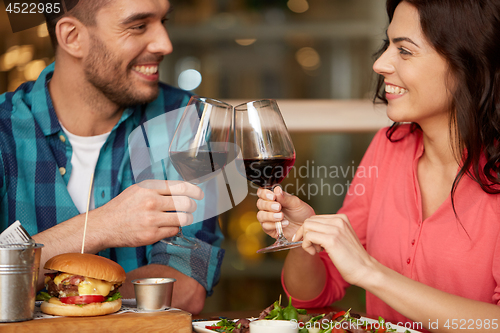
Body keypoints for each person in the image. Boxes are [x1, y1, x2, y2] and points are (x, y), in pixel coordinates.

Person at [257, 0, 500, 331]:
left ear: (467, 62)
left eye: (405, 51)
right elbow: (311, 296)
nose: (381, 64)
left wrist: (370, 272)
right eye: (388, 45)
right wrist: (304, 239)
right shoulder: (389, 146)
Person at [0, 0, 224, 314]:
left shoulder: (186, 118)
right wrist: (102, 225)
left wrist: (58, 291)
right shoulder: (4, 129)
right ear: (72, 37)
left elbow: (186, 285)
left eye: (163, 21)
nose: (165, 44)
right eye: (138, 26)